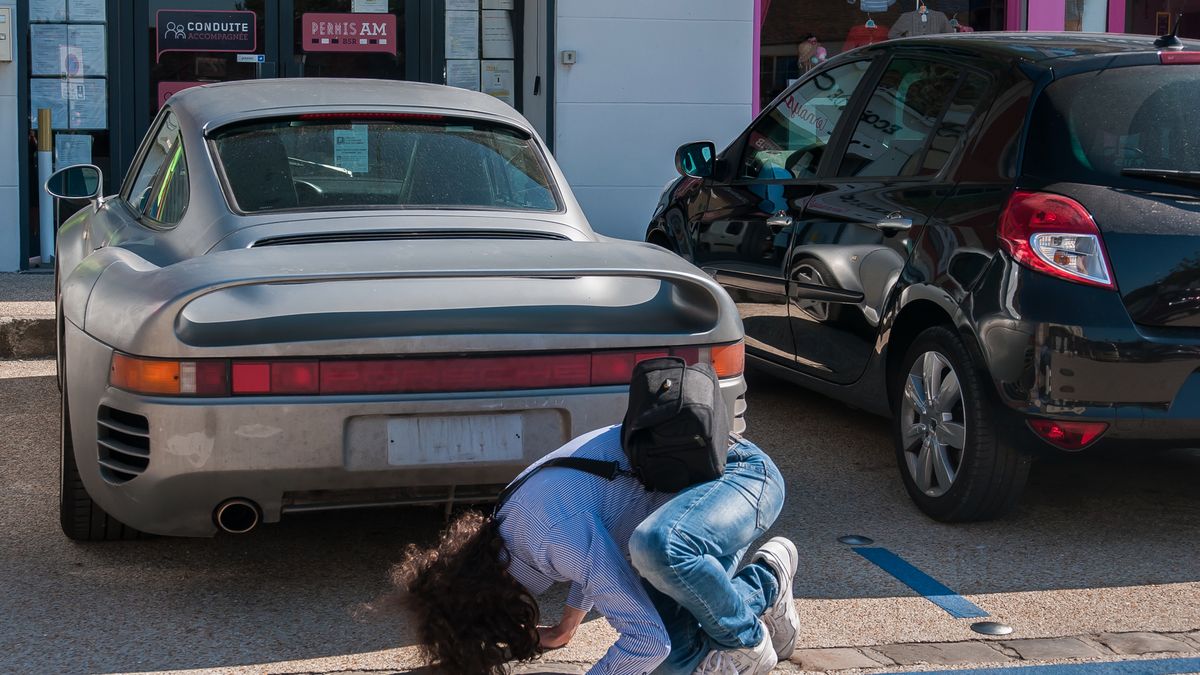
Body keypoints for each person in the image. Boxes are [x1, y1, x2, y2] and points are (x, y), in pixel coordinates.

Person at [387, 424, 799, 674]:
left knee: (657, 550)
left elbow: (647, 639)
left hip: (740, 478)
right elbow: (595, 554)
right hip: (691, 508)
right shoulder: (509, 528)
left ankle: (751, 630)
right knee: (671, 666)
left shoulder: (550, 535)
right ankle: (765, 587)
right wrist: (568, 626)